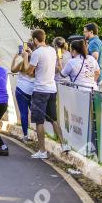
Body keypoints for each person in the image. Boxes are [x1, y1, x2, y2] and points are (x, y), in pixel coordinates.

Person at [22, 29, 68, 159]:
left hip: (40, 90)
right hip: (52, 88)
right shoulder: (52, 50)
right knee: (53, 118)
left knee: (39, 121)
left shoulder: (37, 53)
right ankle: (63, 144)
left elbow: (29, 72)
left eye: (32, 40)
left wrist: (26, 58)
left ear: (36, 40)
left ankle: (42, 151)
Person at [10, 42, 35, 142]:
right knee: (34, 113)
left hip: (21, 90)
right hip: (32, 91)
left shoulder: (22, 63)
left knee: (23, 113)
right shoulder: (36, 65)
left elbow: (12, 69)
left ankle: (25, 135)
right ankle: (38, 133)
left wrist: (15, 57)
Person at [84, 23, 102, 91]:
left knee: (93, 100)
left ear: (91, 32)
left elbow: (95, 57)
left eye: (85, 31)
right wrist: (100, 63)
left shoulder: (93, 43)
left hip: (95, 78)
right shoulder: (99, 42)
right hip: (100, 77)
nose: (84, 33)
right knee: (97, 100)